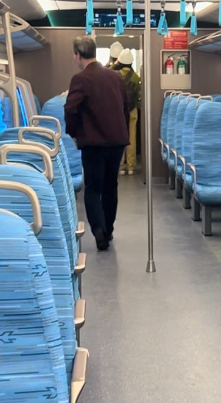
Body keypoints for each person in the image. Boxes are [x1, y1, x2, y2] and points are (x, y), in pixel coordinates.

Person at [65, 35, 131, 252]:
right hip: (117, 141)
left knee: (93, 188)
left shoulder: (80, 79)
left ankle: (99, 232)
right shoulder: (115, 77)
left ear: (78, 55)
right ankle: (108, 229)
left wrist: (73, 133)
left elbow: (71, 109)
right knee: (111, 186)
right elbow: (125, 107)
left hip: (93, 143)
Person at [116, 50, 142, 176]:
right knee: (132, 137)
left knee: (119, 136)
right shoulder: (135, 76)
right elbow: (138, 94)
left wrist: (115, 64)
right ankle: (131, 166)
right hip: (132, 110)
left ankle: (120, 166)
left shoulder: (116, 75)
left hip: (118, 110)